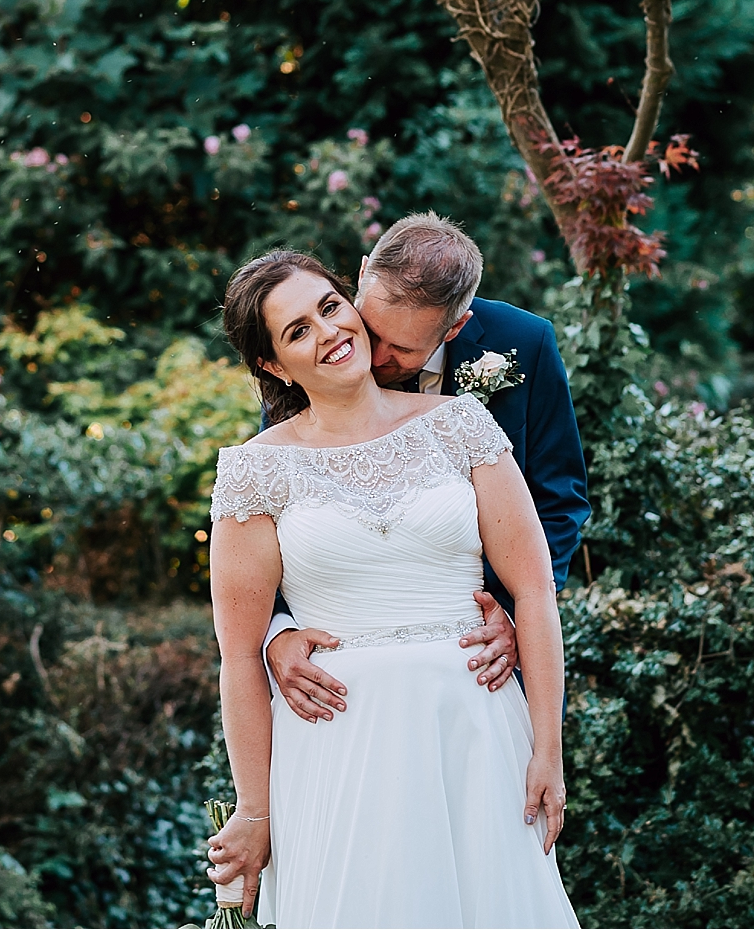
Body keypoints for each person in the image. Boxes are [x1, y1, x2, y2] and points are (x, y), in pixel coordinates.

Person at [204, 250, 578, 928]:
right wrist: (253, 811)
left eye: (327, 307)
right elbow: (238, 656)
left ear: (352, 303)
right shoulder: (255, 470)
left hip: (475, 725)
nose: (327, 333)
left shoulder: (461, 424)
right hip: (337, 743)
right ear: (271, 366)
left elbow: (536, 591)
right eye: (296, 332)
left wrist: (547, 749)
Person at [265, 215, 589, 724]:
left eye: (405, 350)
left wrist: (513, 610)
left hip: (482, 657)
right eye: (374, 332)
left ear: (455, 325)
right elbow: (273, 503)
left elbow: (559, 499)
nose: (376, 358)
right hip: (341, 676)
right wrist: (276, 632)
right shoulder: (325, 350)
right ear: (365, 271)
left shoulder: (525, 344)